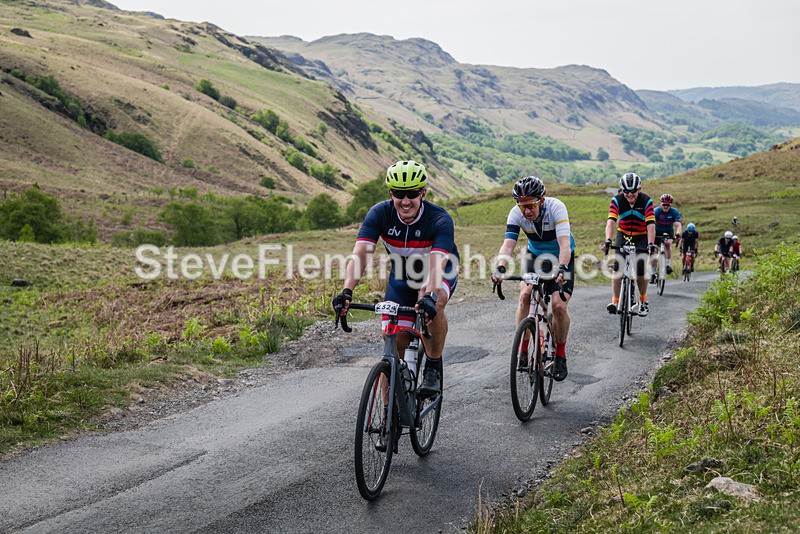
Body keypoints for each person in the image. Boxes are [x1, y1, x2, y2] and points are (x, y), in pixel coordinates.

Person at [333, 160, 459, 397]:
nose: (406, 201)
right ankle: (388, 412)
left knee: (433, 301)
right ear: (391, 193)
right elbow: (361, 255)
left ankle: (432, 366)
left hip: (439, 269)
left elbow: (436, 267)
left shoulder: (439, 219)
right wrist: (347, 291)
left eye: (412, 194)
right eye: (399, 194)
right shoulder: (380, 214)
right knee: (392, 339)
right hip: (402, 273)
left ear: (423, 193)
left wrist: (429, 296)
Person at [490, 175, 575, 381]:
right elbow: (508, 245)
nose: (527, 211)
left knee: (559, 306)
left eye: (531, 205)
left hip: (560, 257)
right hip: (535, 256)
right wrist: (500, 267)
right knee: (525, 295)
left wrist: (562, 268)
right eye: (522, 206)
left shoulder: (556, 208)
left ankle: (560, 355)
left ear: (542, 199)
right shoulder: (516, 213)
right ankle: (523, 349)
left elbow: (564, 244)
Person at [600, 172, 656, 317]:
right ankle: (615, 301)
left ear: (639, 189)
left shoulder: (646, 201)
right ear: (622, 190)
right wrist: (608, 240)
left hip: (641, 236)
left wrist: (650, 244)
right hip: (623, 234)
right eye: (626, 191)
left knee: (640, 268)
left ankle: (643, 300)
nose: (630, 194)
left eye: (633, 191)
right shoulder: (617, 200)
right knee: (617, 267)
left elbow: (650, 225)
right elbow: (611, 221)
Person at [651, 193, 682, 280]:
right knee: (654, 251)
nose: (665, 207)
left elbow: (678, 225)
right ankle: (652, 273)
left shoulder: (674, 212)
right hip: (656, 232)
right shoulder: (656, 211)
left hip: (668, 231)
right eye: (664, 204)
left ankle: (667, 265)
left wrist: (677, 234)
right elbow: (650, 224)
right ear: (660, 204)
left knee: (668, 244)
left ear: (670, 205)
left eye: (668, 205)